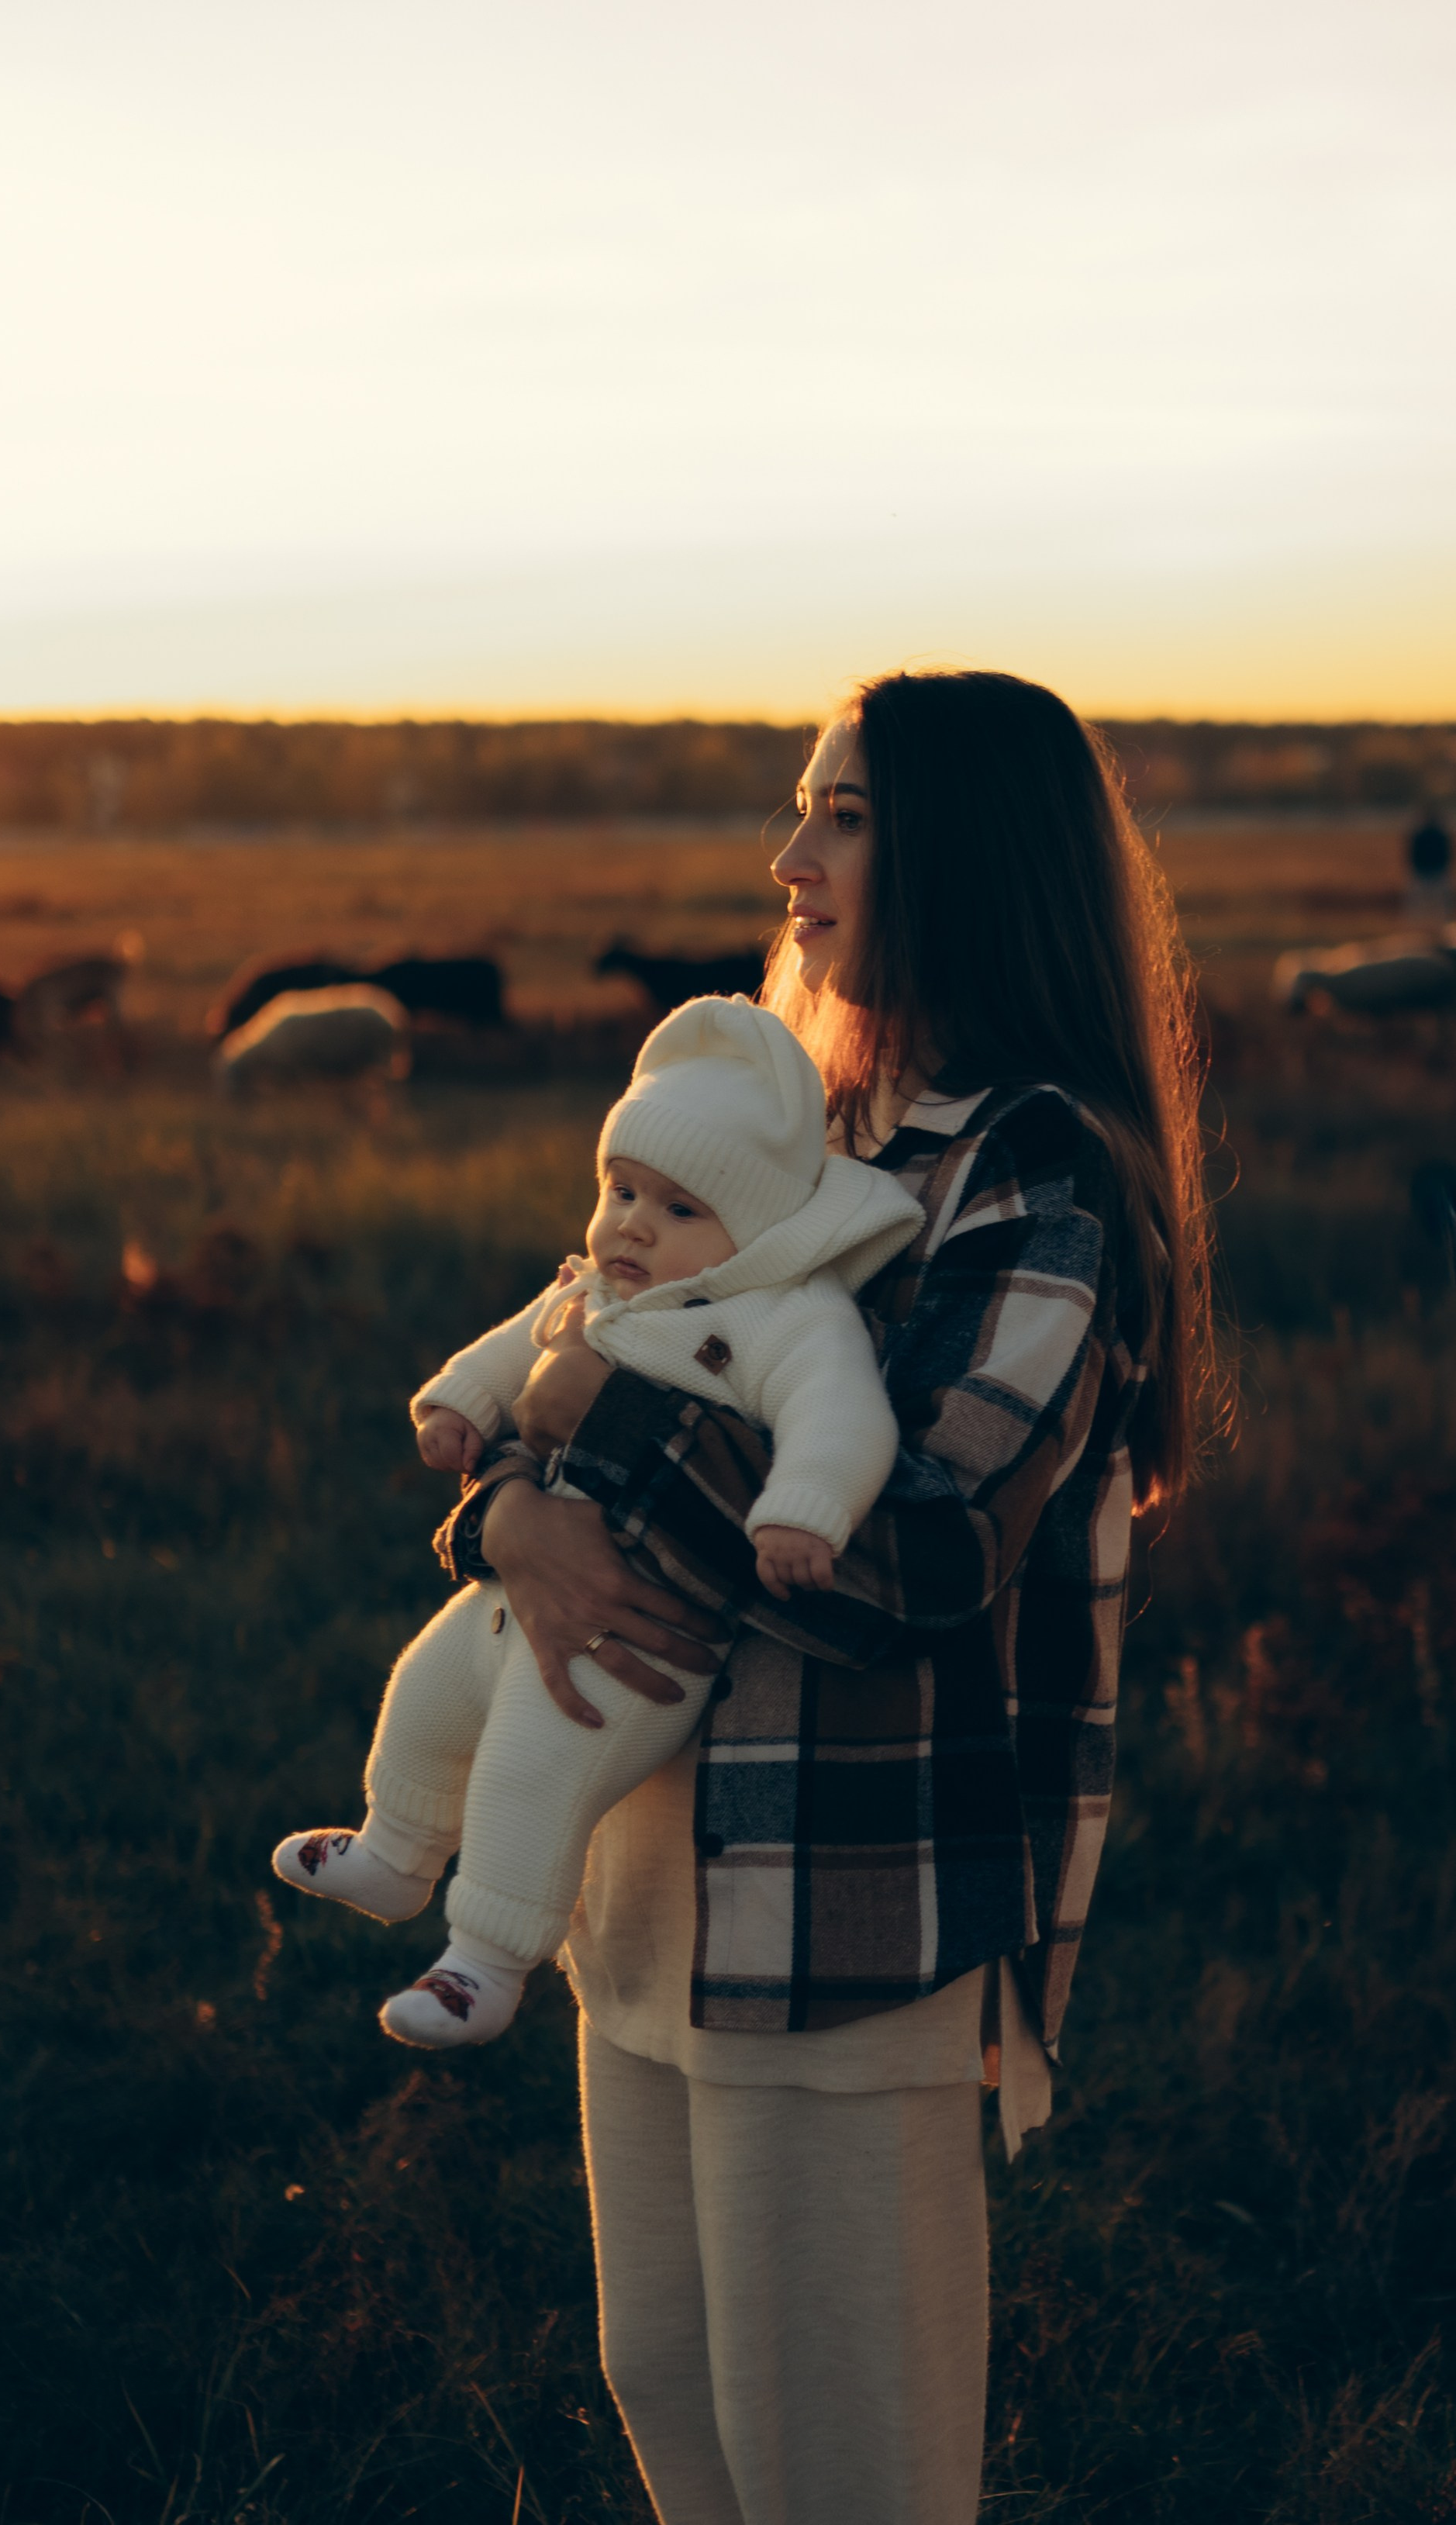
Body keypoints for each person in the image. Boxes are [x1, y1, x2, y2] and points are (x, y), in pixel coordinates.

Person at [443, 668, 1213, 2525]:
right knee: (677, 2407)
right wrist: (502, 1523)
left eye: (847, 815)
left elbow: (926, 1546)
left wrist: (591, 1442)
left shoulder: (1034, 1175)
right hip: (638, 1899)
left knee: (836, 2469)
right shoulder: (809, 1138)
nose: (789, 858)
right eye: (801, 808)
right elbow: (567, 1354)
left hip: (834, 1922)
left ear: (971, 851)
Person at [272, 997, 920, 2047]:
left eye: (676, 1210)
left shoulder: (782, 1316)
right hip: (515, 1594)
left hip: (638, 1634)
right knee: (428, 1695)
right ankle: (394, 1852)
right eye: (619, 1191)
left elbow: (839, 1416)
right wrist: (457, 1404)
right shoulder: (593, 1291)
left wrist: (802, 1510)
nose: (630, 1225)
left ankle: (479, 1965)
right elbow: (512, 1346)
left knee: (538, 1767)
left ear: (750, 1231)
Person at [1406, 807, 1451, 927]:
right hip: (1434, 872)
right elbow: (1447, 853)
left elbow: (1412, 853)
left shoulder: (1420, 834)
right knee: (1440, 903)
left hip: (1426, 872)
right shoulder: (1441, 835)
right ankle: (1441, 926)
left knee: (1419, 904)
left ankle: (1417, 926)